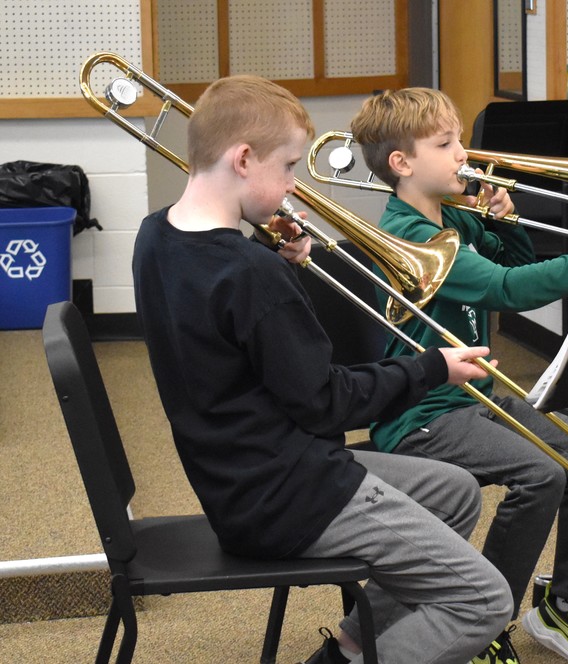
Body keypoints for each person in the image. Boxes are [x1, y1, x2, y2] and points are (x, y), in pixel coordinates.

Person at [131, 75, 514, 664]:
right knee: (484, 602)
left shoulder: (156, 234)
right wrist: (431, 368)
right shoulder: (252, 276)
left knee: (456, 492)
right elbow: (327, 403)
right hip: (293, 494)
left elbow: (231, 331)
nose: (291, 187)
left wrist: (273, 260)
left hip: (240, 477)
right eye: (286, 168)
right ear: (242, 159)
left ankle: (350, 646)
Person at [350, 88, 568, 664]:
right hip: (424, 414)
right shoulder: (410, 235)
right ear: (402, 163)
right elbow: (509, 290)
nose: (464, 154)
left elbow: (510, 264)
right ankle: (487, 621)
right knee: (543, 474)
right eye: (447, 144)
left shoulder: (450, 216)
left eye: (460, 140)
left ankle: (567, 608)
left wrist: (507, 219)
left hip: (476, 400)